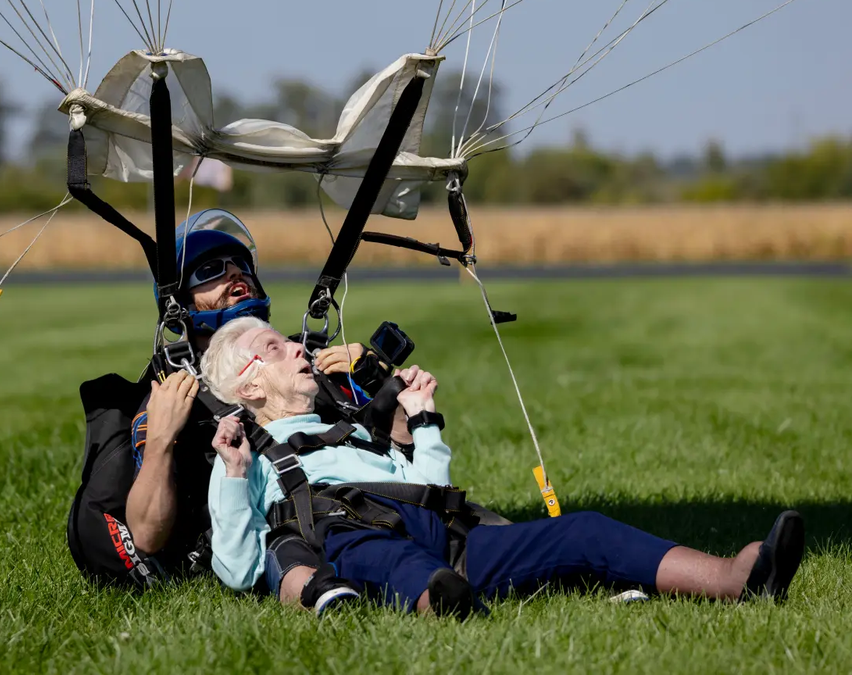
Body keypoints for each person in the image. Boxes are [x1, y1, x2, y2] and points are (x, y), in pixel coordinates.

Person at [200, 317, 807, 617]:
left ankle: (734, 578)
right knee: (401, 564)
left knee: (585, 528)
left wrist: (423, 419)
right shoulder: (244, 449)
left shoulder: (352, 426)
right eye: (275, 348)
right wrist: (232, 474)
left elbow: (432, 492)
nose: (300, 348)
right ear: (247, 384)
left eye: (292, 341)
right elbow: (236, 565)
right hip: (354, 540)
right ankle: (449, 609)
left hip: (443, 536)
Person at [67, 209, 378, 614]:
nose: (236, 275)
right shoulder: (176, 391)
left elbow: (396, 451)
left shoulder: (302, 360)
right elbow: (144, 535)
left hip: (359, 507)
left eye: (242, 267)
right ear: (182, 302)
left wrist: (372, 377)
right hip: (278, 536)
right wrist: (160, 440)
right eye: (212, 270)